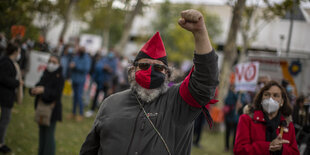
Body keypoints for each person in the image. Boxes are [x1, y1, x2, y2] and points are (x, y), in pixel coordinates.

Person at [80, 9, 219, 155]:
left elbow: (205, 82)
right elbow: (89, 149)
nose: (151, 71)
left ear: (167, 74)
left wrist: (200, 32)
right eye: (144, 66)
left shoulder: (179, 102)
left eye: (158, 68)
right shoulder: (110, 103)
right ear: (132, 70)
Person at [234, 81, 299, 155]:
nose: (270, 98)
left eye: (276, 95)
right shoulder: (247, 119)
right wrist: (268, 146)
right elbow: (239, 150)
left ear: (282, 102)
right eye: (266, 94)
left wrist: (281, 149)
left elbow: (295, 152)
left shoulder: (287, 124)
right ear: (261, 99)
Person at [29, 54, 64, 155]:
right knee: (42, 133)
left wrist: (44, 90)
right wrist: (33, 90)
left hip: (52, 110)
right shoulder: (46, 72)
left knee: (49, 135)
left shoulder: (60, 77)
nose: (51, 64)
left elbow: (57, 94)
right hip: (41, 107)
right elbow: (39, 83)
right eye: (50, 61)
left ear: (58, 64)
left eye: (54, 62)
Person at [0, 42, 23, 153]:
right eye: (19, 51)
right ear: (15, 52)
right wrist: (16, 83)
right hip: (4, 96)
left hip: (7, 96)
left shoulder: (10, 62)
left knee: (5, 119)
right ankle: (1, 143)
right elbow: (3, 78)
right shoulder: (5, 62)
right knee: (5, 119)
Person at [69, 46, 91, 121]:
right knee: (74, 97)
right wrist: (72, 66)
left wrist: (75, 66)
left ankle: (81, 114)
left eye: (81, 50)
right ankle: (73, 113)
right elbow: (72, 63)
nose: (79, 51)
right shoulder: (76, 57)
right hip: (74, 79)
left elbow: (86, 69)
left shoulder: (87, 58)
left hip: (80, 80)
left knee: (79, 97)